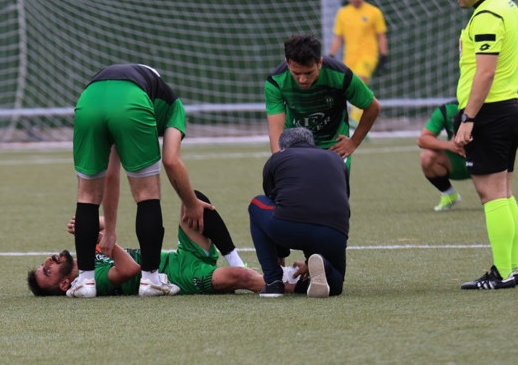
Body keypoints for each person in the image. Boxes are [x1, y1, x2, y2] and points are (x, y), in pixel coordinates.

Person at [71, 64, 213, 298]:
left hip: (88, 100)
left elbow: (111, 174)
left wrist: (111, 231)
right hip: (132, 103)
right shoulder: (173, 105)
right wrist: (191, 203)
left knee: (86, 196)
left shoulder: (117, 81)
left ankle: (85, 282)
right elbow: (171, 161)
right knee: (147, 194)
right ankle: (151, 280)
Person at [443, 0, 518, 290]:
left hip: (490, 113)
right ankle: (512, 268)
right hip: (508, 108)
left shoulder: (488, 14)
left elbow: (486, 72)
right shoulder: (506, 5)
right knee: (503, 192)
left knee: (490, 193)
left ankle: (503, 272)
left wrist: (468, 118)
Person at [28, 191, 264, 297]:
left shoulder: (87, 256)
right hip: (179, 276)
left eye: (45, 262)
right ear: (64, 284)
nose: (50, 260)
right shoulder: (90, 282)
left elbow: (109, 226)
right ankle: (288, 284)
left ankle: (237, 260)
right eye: (48, 270)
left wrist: (90, 225)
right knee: (242, 278)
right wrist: (100, 239)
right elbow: (130, 269)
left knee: (194, 201)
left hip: (179, 256)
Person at [248, 127, 350, 298]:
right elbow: (343, 197)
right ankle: (322, 264)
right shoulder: (336, 159)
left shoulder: (277, 158)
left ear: (283, 147)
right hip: (335, 231)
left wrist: (280, 253)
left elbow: (275, 201)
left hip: (290, 227)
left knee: (256, 205)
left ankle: (273, 282)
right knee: (336, 284)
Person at [265, 34, 380, 174]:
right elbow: (276, 128)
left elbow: (373, 107)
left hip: (333, 146)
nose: (302, 79)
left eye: (308, 73)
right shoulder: (275, 81)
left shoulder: (340, 75)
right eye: (296, 73)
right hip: (296, 145)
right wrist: (280, 159)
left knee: (331, 193)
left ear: (319, 62)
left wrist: (353, 143)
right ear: (287, 63)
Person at [327, 0, 388, 124]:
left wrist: (384, 56)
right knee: (352, 88)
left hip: (368, 56)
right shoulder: (343, 13)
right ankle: (359, 123)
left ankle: (354, 119)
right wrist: (331, 55)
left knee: (360, 81)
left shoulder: (374, 12)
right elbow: (338, 37)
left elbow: (381, 35)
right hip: (349, 57)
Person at [417, 101, 470, 211]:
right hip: (457, 164)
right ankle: (449, 194)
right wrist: (450, 145)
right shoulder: (447, 110)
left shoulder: (492, 108)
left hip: (486, 162)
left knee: (494, 198)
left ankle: (502, 194)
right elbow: (423, 140)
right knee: (427, 157)